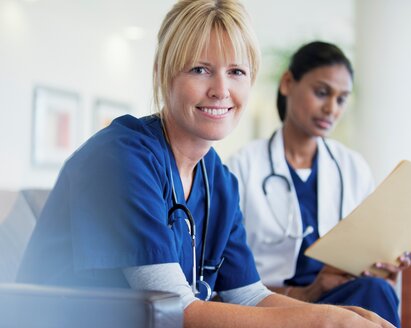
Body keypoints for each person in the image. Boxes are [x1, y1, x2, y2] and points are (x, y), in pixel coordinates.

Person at [18, 2, 395, 327]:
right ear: (166, 75)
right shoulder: (121, 157)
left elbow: (246, 297)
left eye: (236, 72)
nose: (221, 90)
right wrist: (325, 320)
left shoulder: (219, 180)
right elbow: (175, 310)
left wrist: (347, 315)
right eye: (200, 69)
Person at [227, 40, 411, 327]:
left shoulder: (352, 167)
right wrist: (307, 292)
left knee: (376, 289)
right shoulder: (243, 167)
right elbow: (231, 285)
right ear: (288, 83)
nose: (331, 109)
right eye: (322, 92)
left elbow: (370, 246)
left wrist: (384, 263)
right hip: (274, 304)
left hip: (344, 295)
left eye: (341, 99)